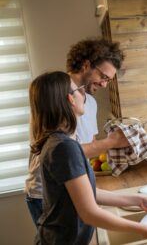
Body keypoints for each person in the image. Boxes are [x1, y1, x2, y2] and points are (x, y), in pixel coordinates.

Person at [30, 71, 147, 244]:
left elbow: (88, 193)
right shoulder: (64, 148)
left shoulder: (61, 142)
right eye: (78, 90)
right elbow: (89, 212)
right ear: (70, 99)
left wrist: (138, 200)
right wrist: (141, 228)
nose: (83, 94)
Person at [25, 38, 130, 226]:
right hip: (47, 194)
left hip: (73, 184)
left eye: (109, 80)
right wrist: (111, 142)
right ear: (87, 65)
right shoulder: (53, 97)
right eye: (104, 77)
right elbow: (61, 152)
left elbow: (84, 153)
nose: (105, 84)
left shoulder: (90, 103)